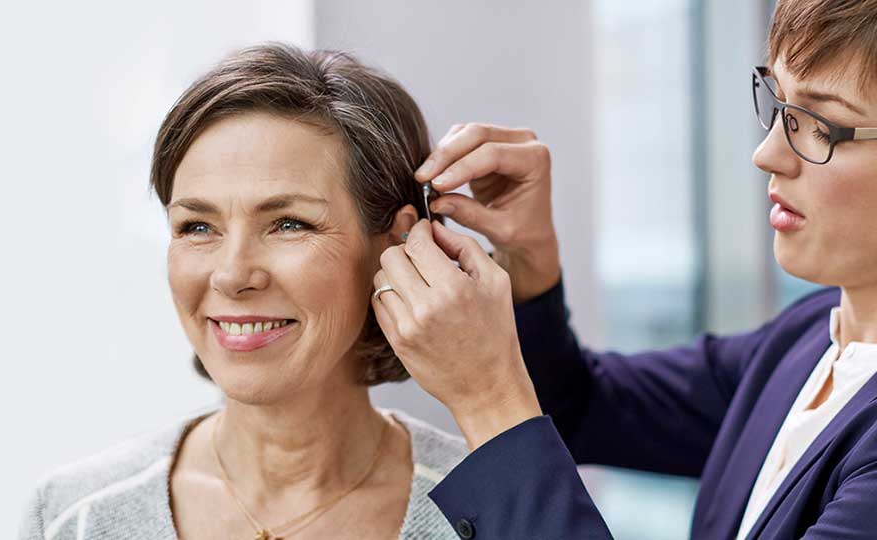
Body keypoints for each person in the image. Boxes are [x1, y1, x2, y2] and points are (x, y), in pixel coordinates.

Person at [372, 0, 877, 538]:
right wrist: (528, 261)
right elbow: (584, 406)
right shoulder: (805, 341)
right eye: (780, 105)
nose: (768, 152)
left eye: (823, 126)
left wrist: (486, 399)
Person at [18, 43, 474, 540]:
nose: (232, 275)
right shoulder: (74, 514)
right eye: (196, 227)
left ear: (398, 242)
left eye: (288, 223)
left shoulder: (488, 511)